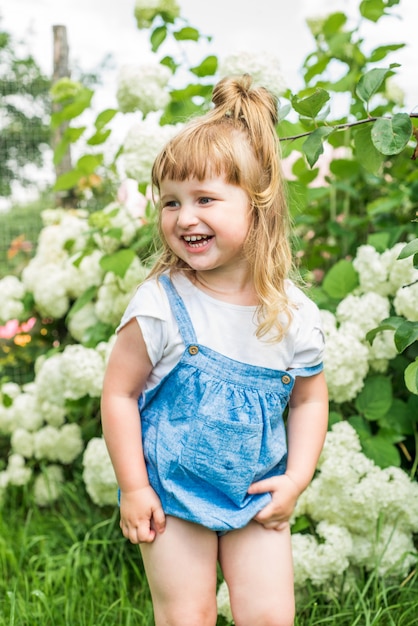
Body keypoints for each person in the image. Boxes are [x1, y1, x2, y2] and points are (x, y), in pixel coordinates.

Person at [101, 74, 329, 626]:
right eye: (171, 202)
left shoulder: (292, 314)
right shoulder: (160, 303)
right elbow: (118, 392)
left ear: (259, 206)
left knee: (272, 616)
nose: (184, 217)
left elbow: (308, 401)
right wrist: (134, 487)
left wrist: (295, 479)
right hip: (172, 497)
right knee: (187, 615)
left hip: (255, 496)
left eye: (205, 199)